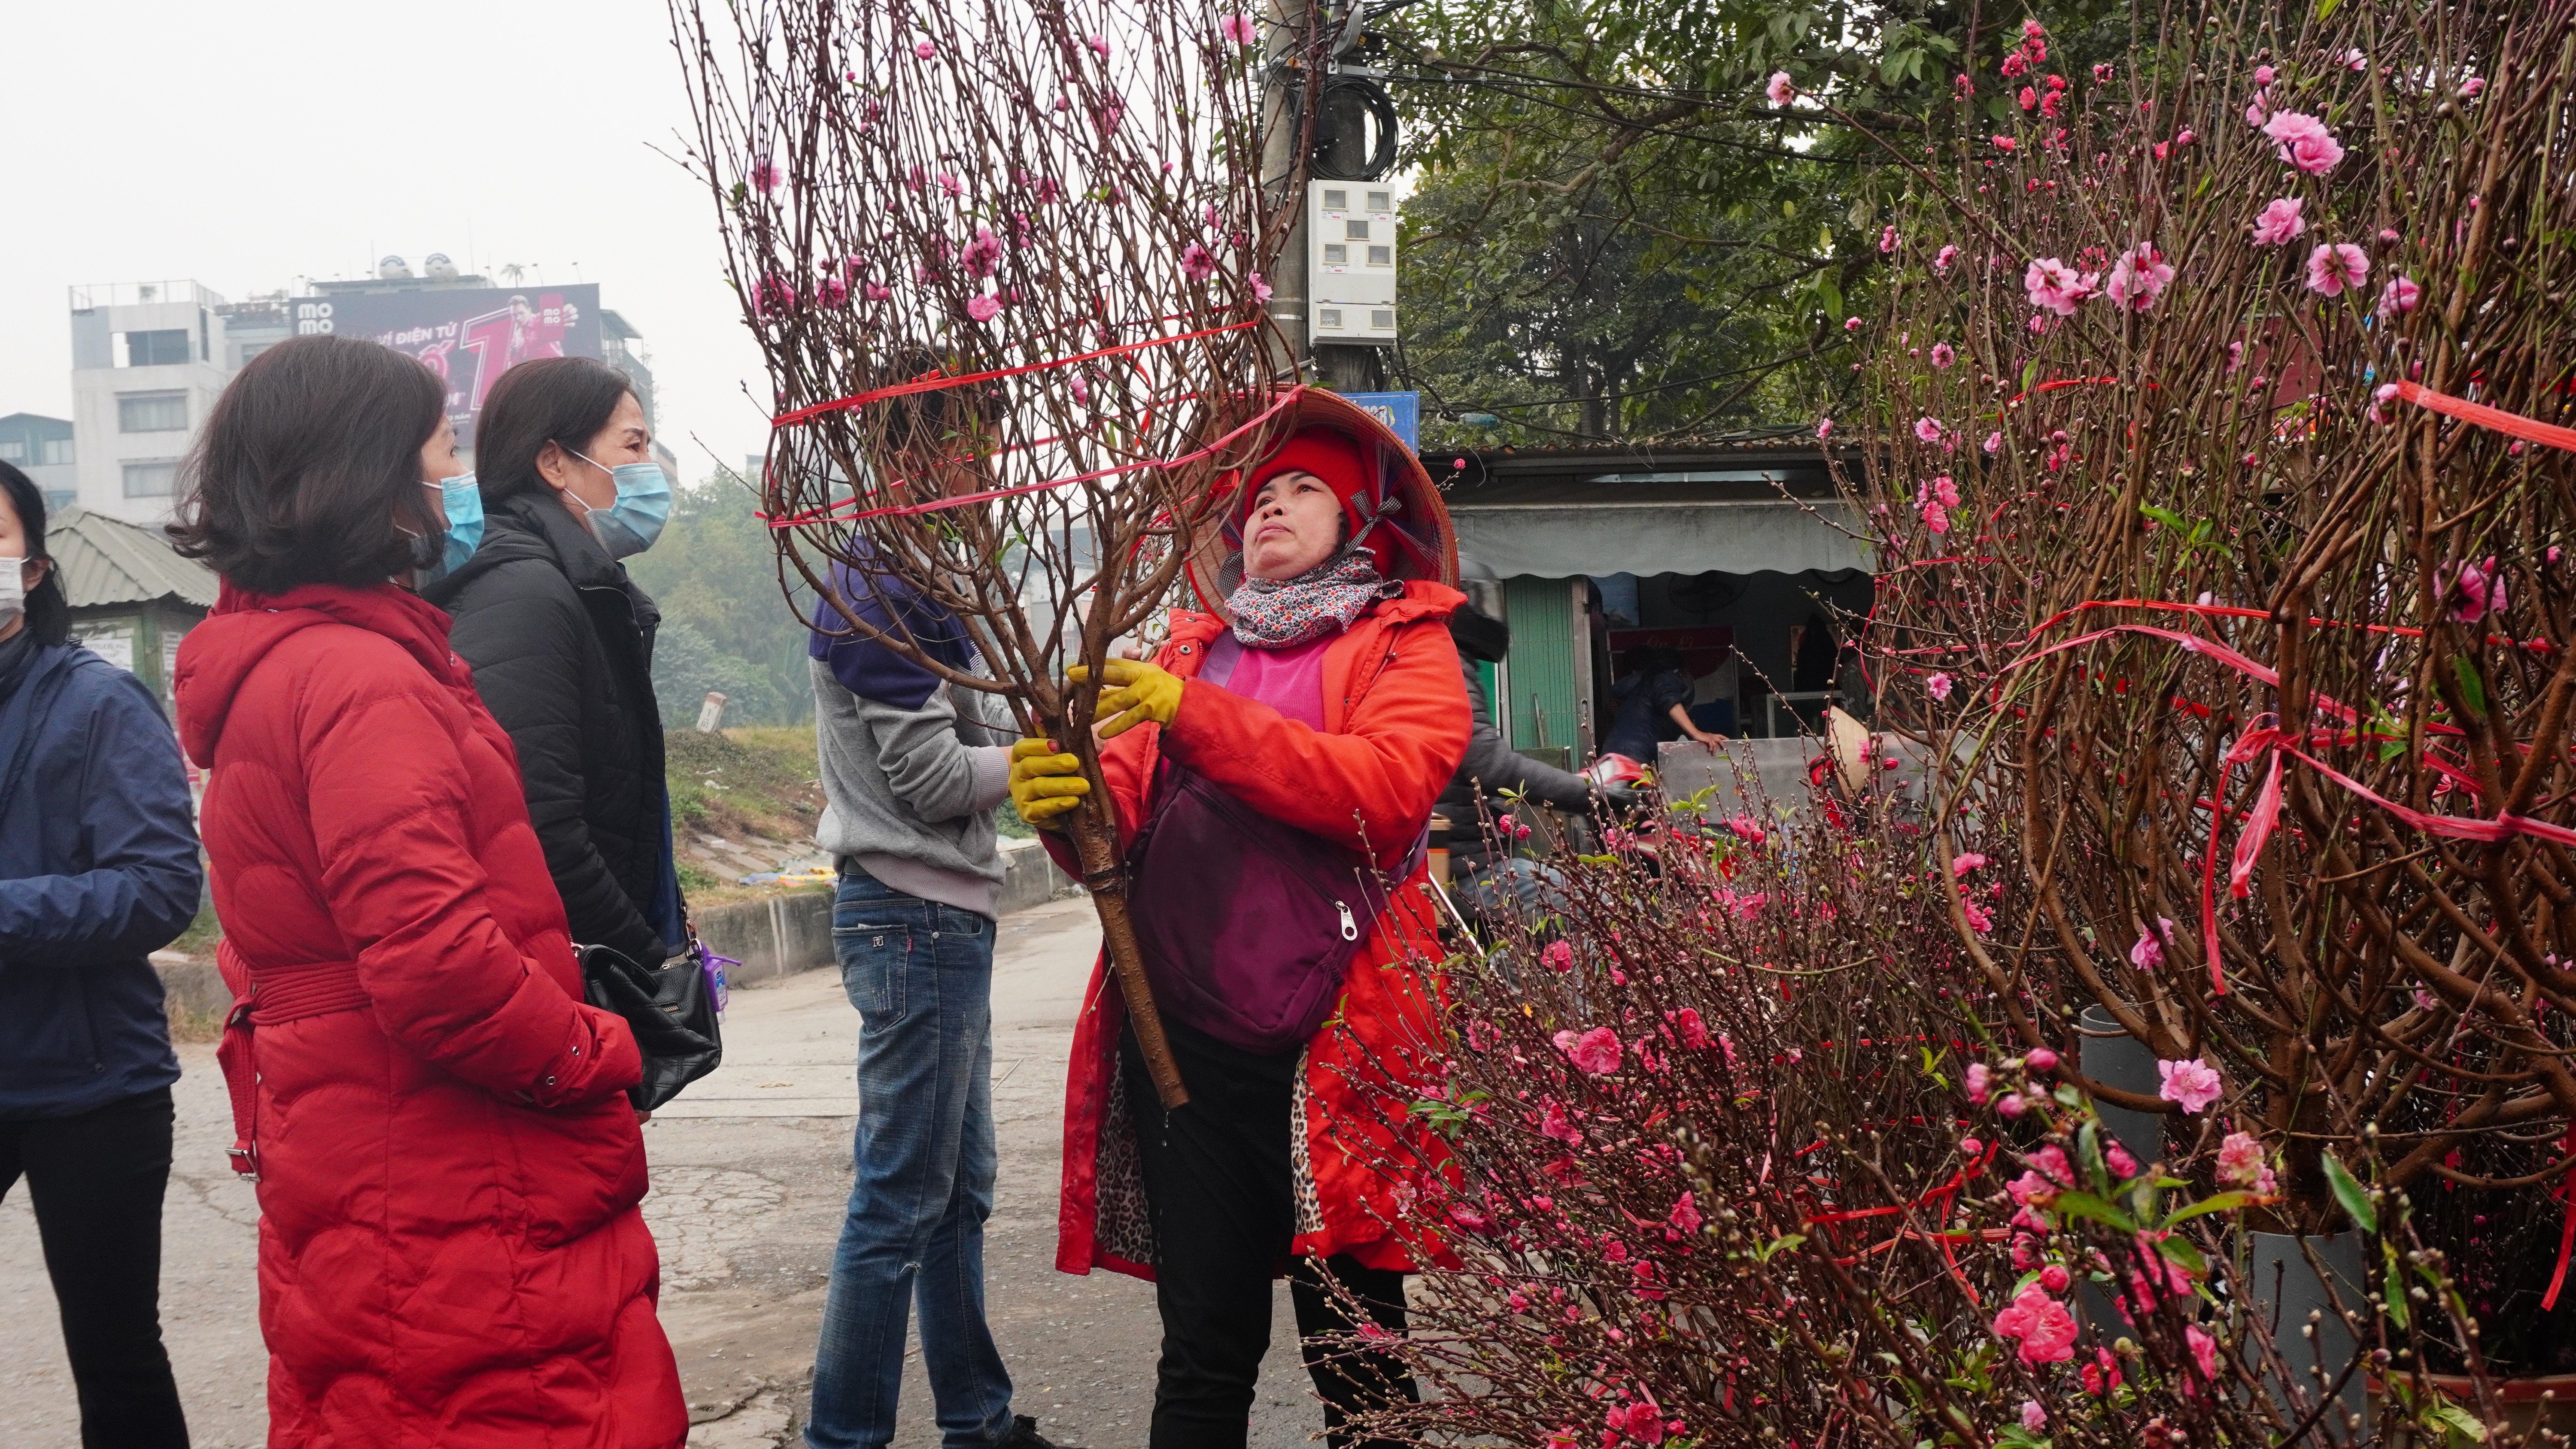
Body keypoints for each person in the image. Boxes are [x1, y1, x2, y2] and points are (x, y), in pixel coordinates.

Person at [168, 334, 688, 1448]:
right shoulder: (356, 680)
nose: (458, 480)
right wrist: (594, 1048)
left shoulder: (279, 662)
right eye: (443, 450)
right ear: (368, 475)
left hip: (367, 1150)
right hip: (452, 1173)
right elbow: (438, 965)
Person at [1014, 395, 1471, 1449]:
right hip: (1189, 1054)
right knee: (1204, 1353)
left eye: (1304, 487)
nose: (1273, 505)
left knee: (1360, 1359)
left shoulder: (1405, 641)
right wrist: (1063, 799)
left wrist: (1199, 722)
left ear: (1363, 519)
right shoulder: (1183, 654)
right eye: (1261, 494)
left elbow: (1384, 791)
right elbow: (1114, 835)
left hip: (1340, 1053)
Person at [801, 380, 1069, 1449]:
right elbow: (926, 779)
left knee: (955, 1193)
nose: (989, 475)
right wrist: (1031, 761)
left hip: (934, 919)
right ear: (917, 458)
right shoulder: (886, 585)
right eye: (975, 451)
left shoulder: (920, 579)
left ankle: (978, 1419)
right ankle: (844, 1438)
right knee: (899, 1203)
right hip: (912, 917)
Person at [0, 462, 200, 1448]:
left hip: (91, 1086)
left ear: (32, 568)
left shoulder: (99, 704)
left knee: (115, 1351)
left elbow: (159, 888)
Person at [423, 355, 685, 971]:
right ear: (555, 463)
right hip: (575, 972)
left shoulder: (582, 585)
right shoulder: (524, 594)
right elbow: (541, 828)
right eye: (634, 444)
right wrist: (638, 960)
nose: (651, 468)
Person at [1598, 643, 1727, 765]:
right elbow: (1669, 699)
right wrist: (1697, 734)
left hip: (1611, 753)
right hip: (1635, 755)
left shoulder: (1636, 690)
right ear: (1677, 671)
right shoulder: (1662, 678)